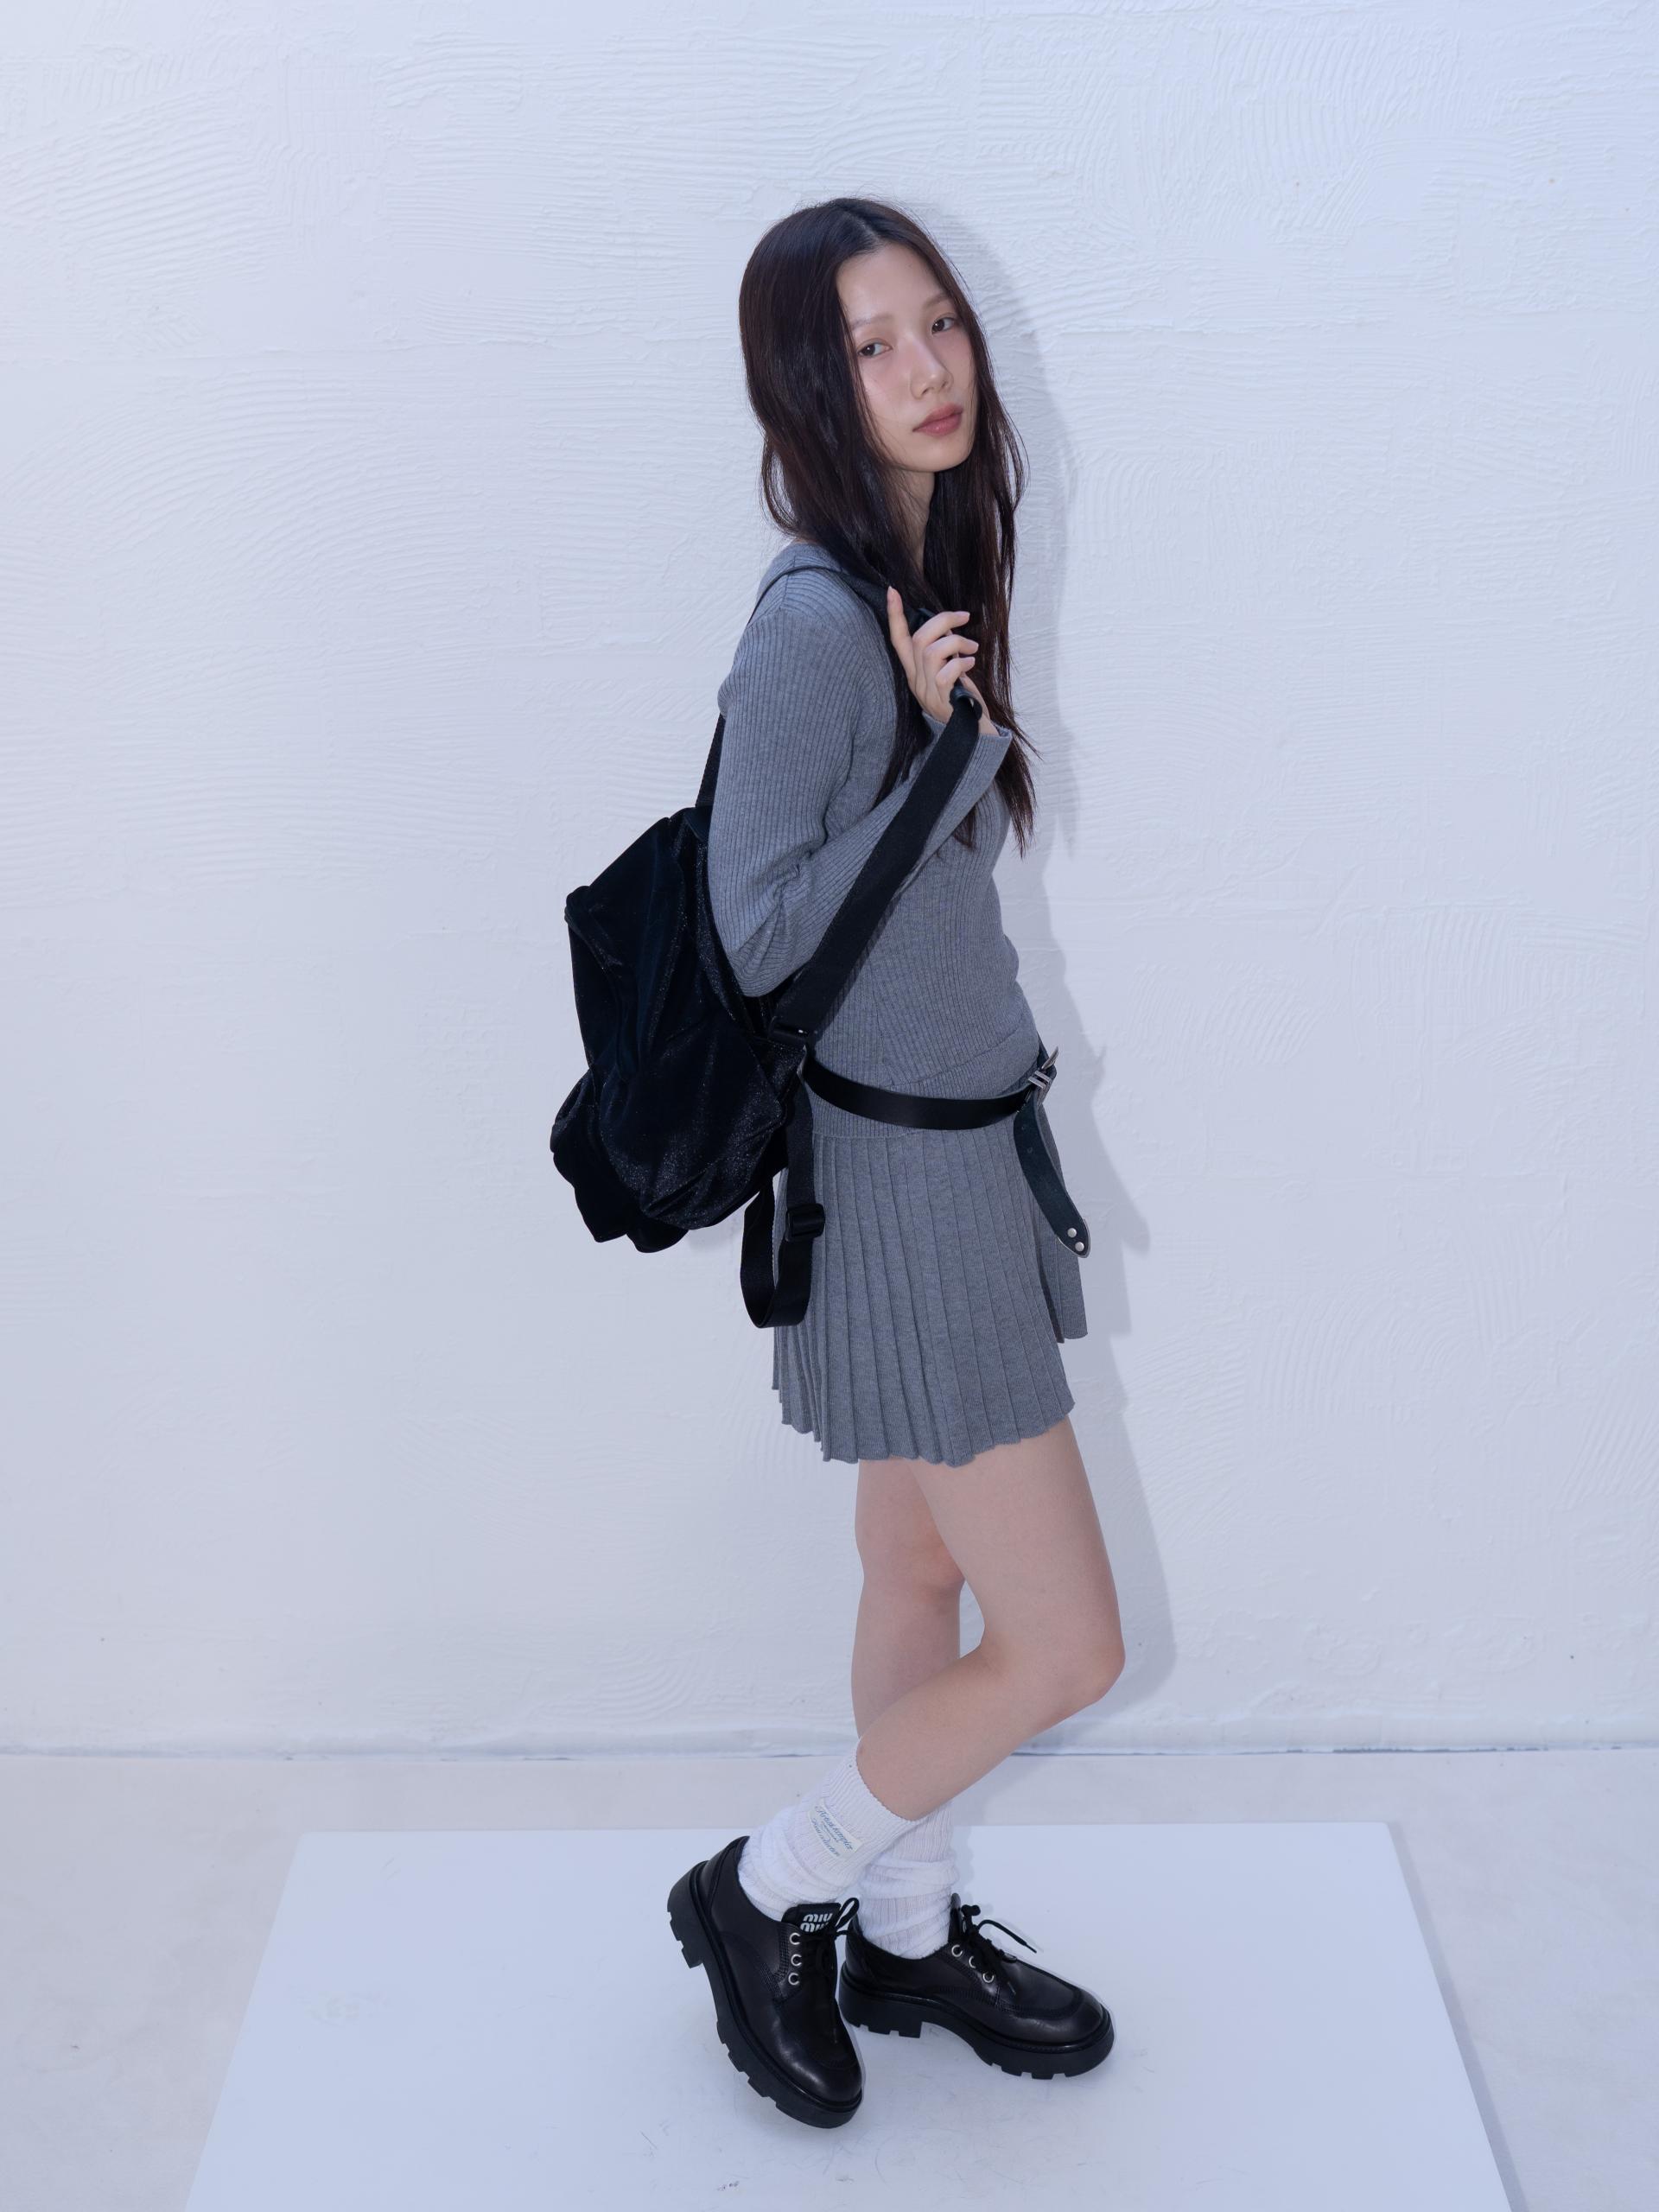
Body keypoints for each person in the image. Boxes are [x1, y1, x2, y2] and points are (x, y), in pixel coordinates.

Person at [665, 198, 1123, 2129]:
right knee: (1070, 1646)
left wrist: (941, 744)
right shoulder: (813, 626)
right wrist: (938, 761)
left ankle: (909, 1923)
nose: (929, 369)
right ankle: (770, 1885)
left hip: (941, 1160)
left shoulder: (915, 580)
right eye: (872, 345)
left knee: (916, 1563)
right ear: (809, 384)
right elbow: (761, 925)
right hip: (907, 1197)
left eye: (938, 323)